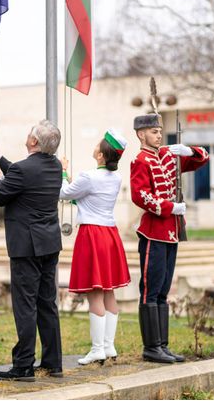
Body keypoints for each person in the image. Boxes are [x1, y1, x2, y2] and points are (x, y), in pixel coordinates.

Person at [0, 119, 63, 382]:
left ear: (33, 142)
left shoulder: (23, 170)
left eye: (30, 133)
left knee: (25, 305)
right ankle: (53, 362)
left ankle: (23, 365)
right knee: (47, 303)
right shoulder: (54, 166)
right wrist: (0, 158)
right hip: (49, 244)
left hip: (26, 247)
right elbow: (22, 175)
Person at [130, 113, 209, 363]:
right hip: (154, 232)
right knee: (150, 291)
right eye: (154, 131)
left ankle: (162, 345)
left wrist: (188, 151)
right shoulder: (140, 160)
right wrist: (168, 207)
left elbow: (201, 159)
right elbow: (139, 195)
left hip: (172, 234)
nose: (159, 135)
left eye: (160, 130)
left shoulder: (166, 155)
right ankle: (151, 347)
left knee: (163, 290)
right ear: (141, 134)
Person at [59, 129, 131, 365]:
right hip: (110, 234)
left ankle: (97, 348)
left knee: (95, 292)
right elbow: (81, 196)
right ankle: (109, 346)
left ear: (100, 155)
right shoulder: (115, 178)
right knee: (109, 290)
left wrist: (62, 170)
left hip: (92, 234)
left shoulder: (88, 176)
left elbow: (63, 193)